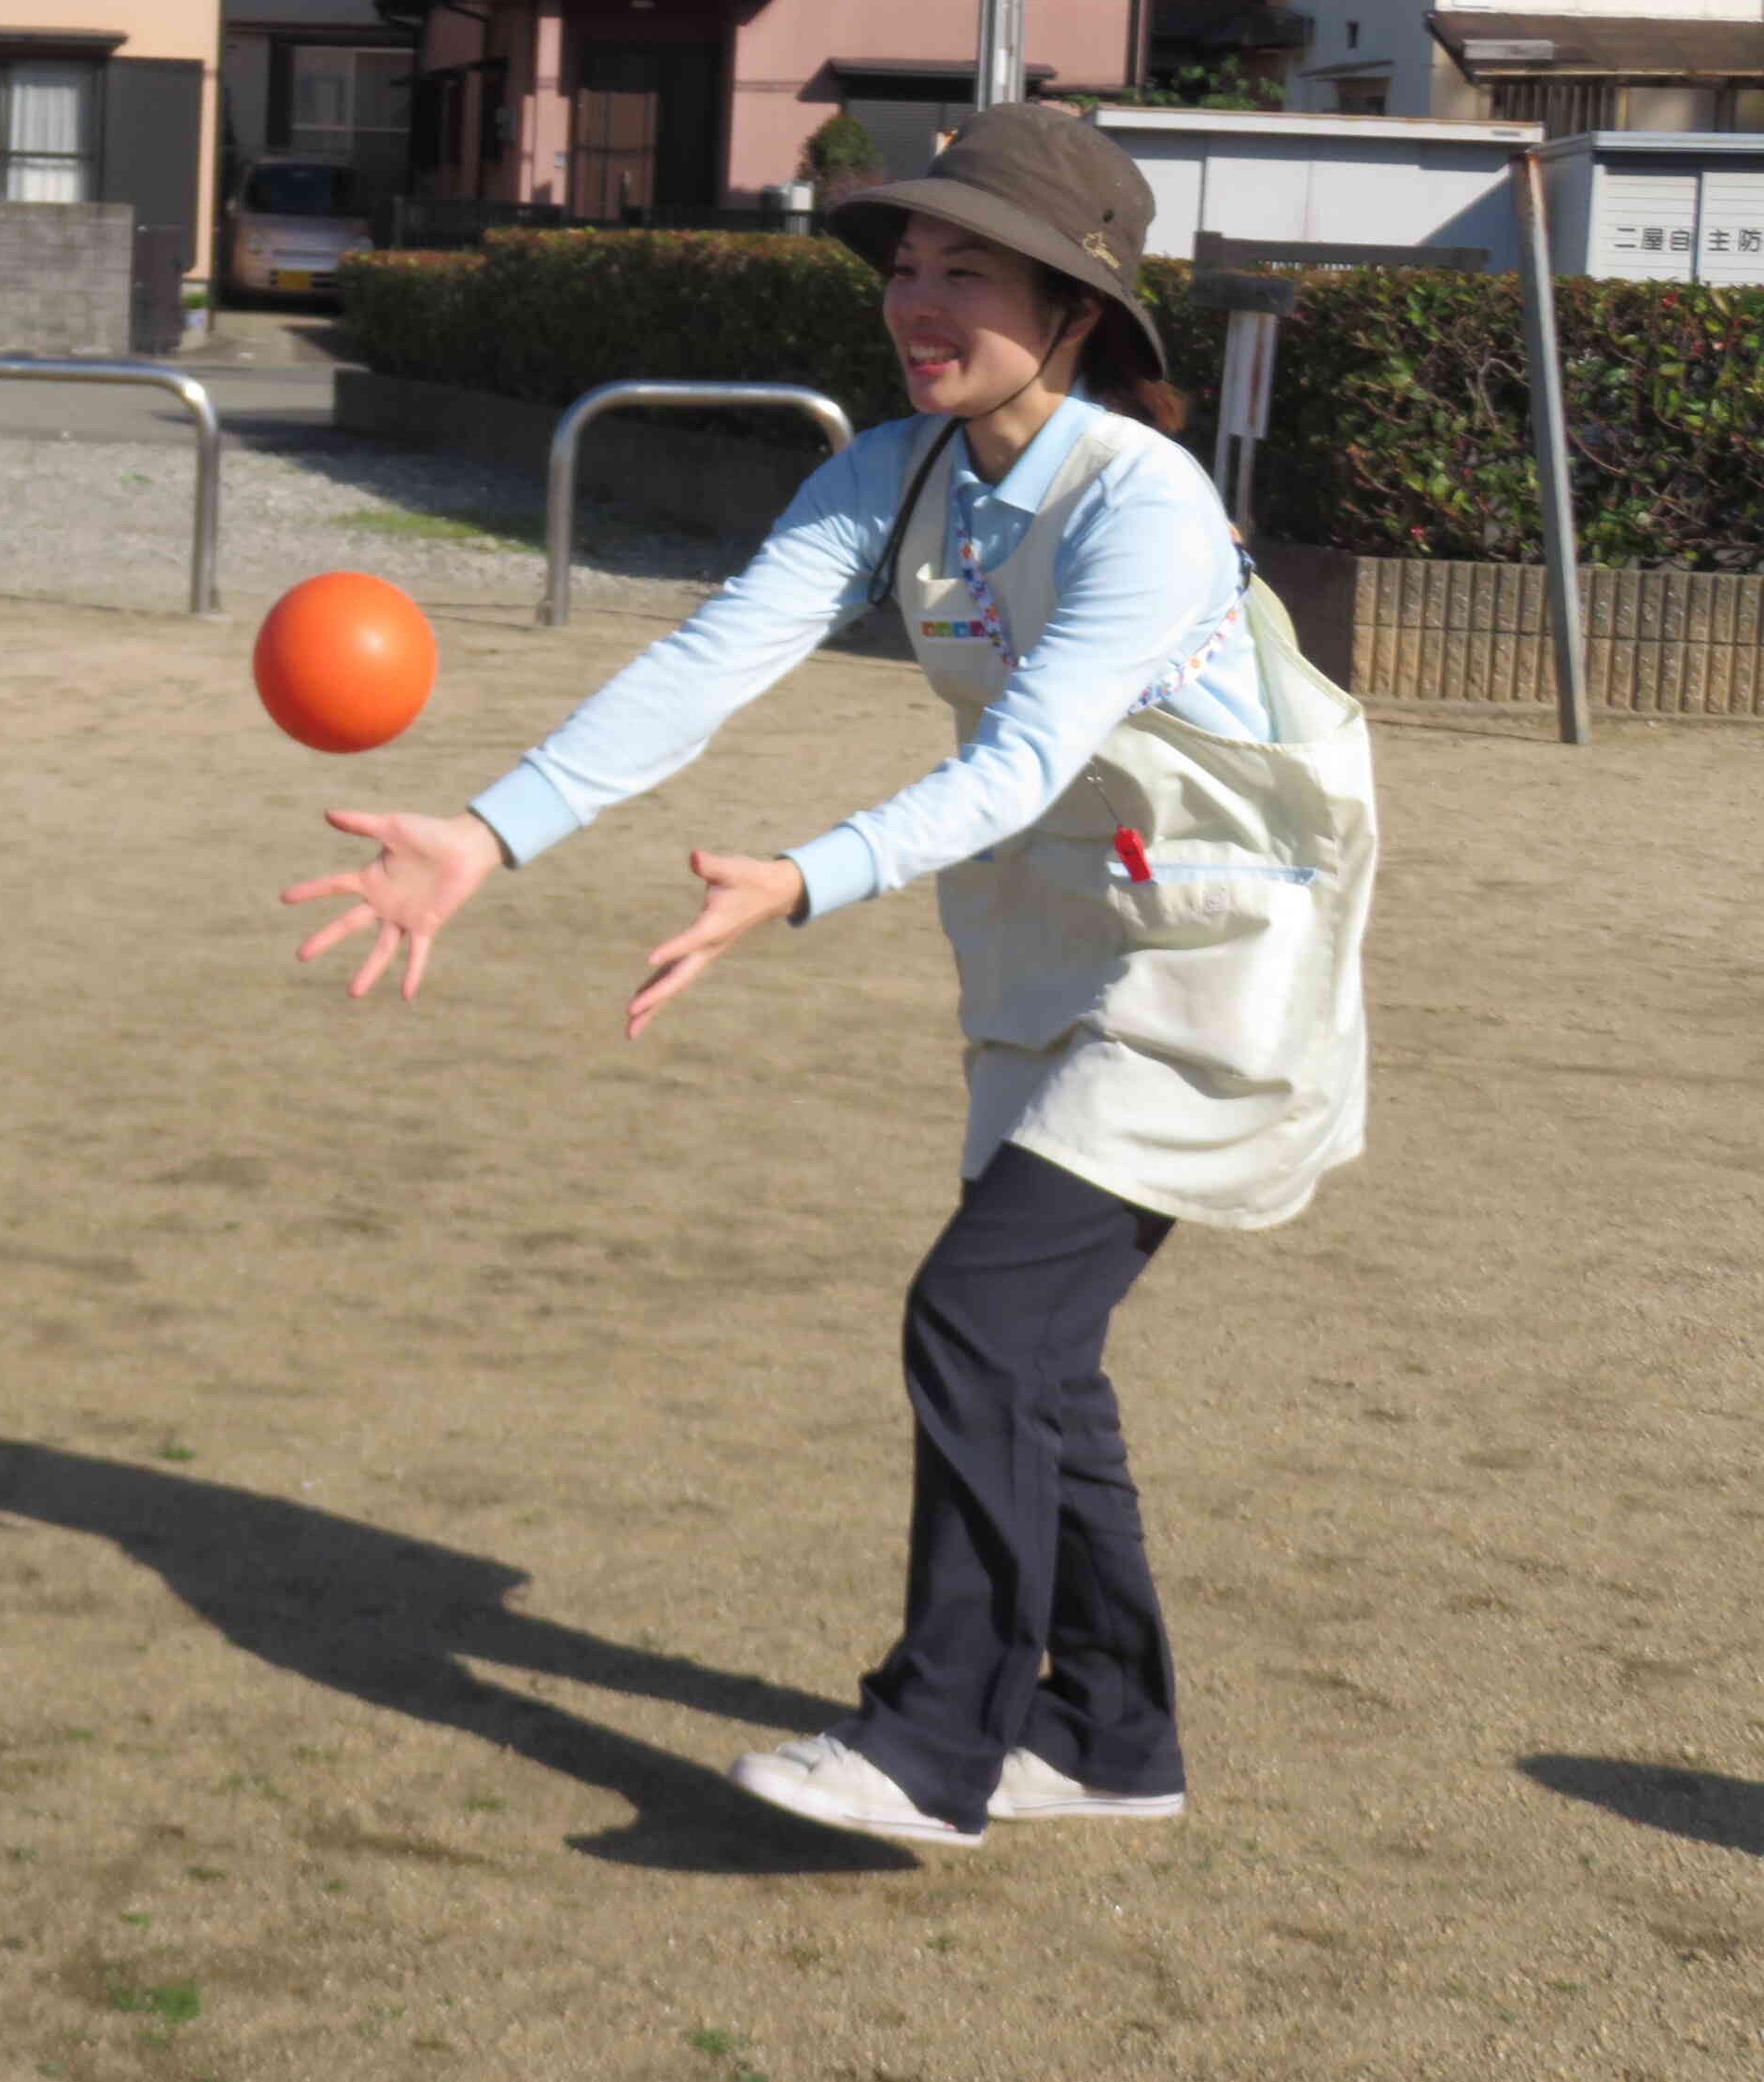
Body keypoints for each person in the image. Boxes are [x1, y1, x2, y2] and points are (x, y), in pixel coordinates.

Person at [285, 105, 1376, 1849]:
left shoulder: (1143, 502)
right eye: (908, 265)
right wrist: (486, 838)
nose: (918, 301)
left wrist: (797, 880)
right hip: (1054, 942)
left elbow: (1018, 761)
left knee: (977, 1318)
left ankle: (933, 1743)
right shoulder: (892, 473)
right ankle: (1105, 1729)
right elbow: (706, 663)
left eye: (972, 273)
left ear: (1078, 310)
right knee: (1037, 1356)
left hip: (1222, 957)